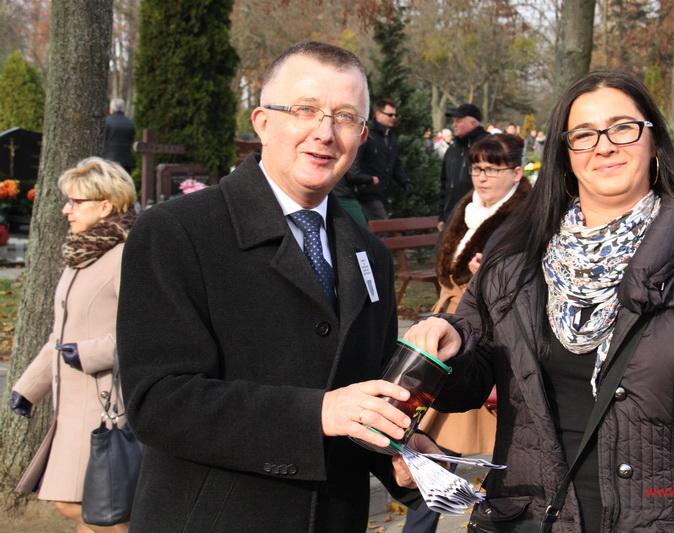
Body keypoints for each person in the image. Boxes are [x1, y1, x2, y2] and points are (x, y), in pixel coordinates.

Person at [402, 71, 674, 531]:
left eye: (622, 128)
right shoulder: (515, 260)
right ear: (565, 154)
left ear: (653, 141)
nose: (604, 146)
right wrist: (448, 345)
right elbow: (467, 387)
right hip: (532, 518)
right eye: (584, 134)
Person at [116, 41, 425, 532]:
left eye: (345, 118)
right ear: (262, 122)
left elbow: (361, 400)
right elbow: (158, 401)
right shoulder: (177, 233)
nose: (324, 133)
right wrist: (315, 414)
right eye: (305, 110)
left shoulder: (369, 254)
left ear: (363, 135)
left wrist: (401, 457)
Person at [402, 134, 530, 533]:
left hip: (485, 336)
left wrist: (488, 277)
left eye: (492, 169)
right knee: (435, 434)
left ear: (516, 173)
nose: (482, 177)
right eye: (476, 168)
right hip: (447, 326)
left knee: (450, 437)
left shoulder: (525, 218)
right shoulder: (468, 208)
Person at [9, 157, 137, 533]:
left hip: (105, 408)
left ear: (106, 205)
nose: (66, 210)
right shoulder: (79, 257)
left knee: (81, 505)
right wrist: (28, 389)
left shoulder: (126, 256)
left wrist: (87, 354)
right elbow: (59, 337)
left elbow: (145, 334)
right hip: (71, 408)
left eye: (76, 202)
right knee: (85, 508)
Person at [349, 97, 413, 220]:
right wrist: (364, 179)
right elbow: (354, 162)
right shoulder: (366, 134)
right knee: (383, 225)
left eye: (395, 115)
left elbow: (395, 163)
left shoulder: (390, 136)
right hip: (366, 193)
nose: (394, 118)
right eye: (390, 115)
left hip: (384, 193)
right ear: (378, 114)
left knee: (380, 227)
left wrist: (405, 182)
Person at [439, 103, 489, 230]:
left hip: (479, 221)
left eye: (458, 121)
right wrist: (442, 217)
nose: (454, 125)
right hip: (451, 219)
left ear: (473, 122)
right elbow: (444, 184)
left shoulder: (489, 146)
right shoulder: (452, 148)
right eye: (454, 121)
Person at [103, 99, 136, 174]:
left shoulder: (106, 121)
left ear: (111, 109)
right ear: (123, 109)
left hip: (110, 161)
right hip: (127, 162)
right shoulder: (131, 123)